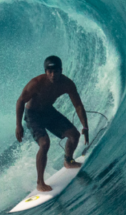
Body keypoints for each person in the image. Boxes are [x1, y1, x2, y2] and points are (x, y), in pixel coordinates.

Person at [15, 55, 89, 192]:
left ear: (61, 70)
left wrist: (85, 126)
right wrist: (18, 125)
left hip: (48, 111)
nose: (53, 75)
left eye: (56, 71)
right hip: (33, 115)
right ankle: (40, 182)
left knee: (74, 135)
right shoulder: (36, 83)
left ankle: (68, 161)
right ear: (45, 72)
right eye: (50, 71)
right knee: (44, 143)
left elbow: (78, 105)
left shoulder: (67, 84)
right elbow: (20, 101)